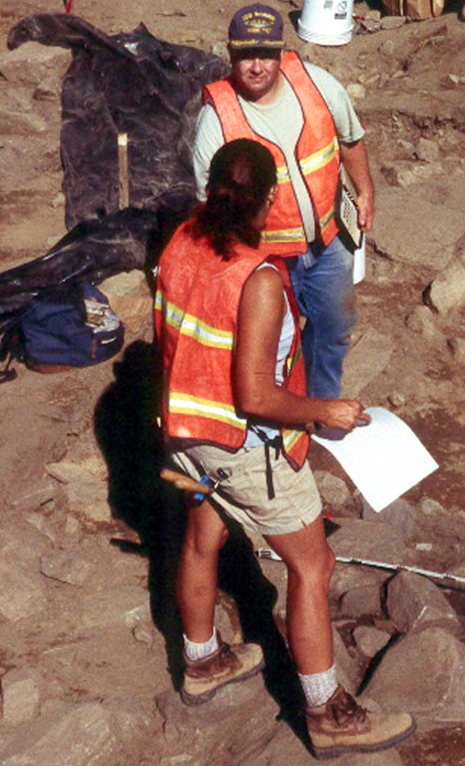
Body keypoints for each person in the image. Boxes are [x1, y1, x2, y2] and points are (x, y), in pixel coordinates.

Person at [155, 139, 415, 757]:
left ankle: (201, 660)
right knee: (312, 565)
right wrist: (328, 410)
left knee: (202, 538)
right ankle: (326, 709)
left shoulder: (181, 239)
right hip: (244, 446)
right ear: (272, 198)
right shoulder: (260, 278)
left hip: (184, 430)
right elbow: (256, 395)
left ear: (210, 188)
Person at [193, 3, 375, 401]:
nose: (255, 66)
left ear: (280, 53)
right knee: (272, 346)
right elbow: (209, 209)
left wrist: (365, 191)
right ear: (230, 54)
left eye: (264, 55)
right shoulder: (217, 119)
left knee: (334, 326)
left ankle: (322, 405)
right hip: (267, 262)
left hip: (328, 243)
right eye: (244, 56)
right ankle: (281, 418)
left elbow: (351, 139)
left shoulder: (319, 86)